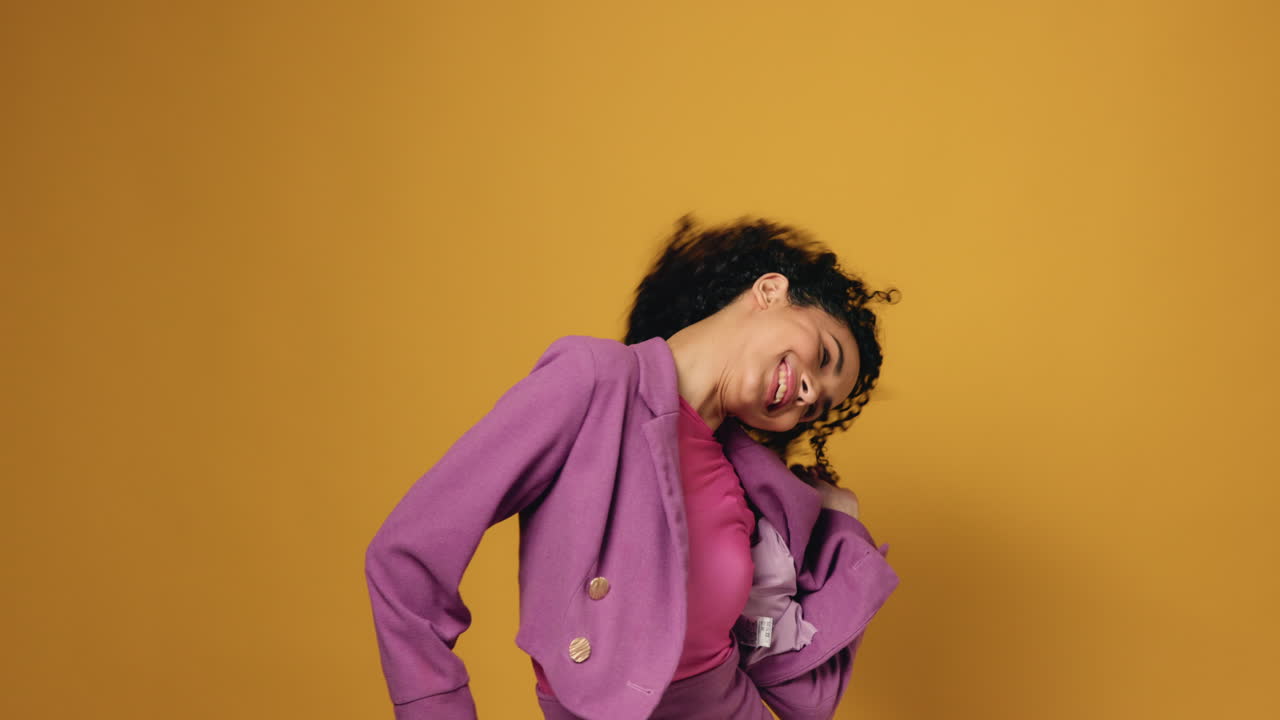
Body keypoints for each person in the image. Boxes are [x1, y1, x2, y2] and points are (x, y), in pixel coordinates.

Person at [364, 215, 902, 720]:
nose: (809, 393)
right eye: (825, 356)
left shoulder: (750, 483)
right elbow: (407, 555)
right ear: (769, 291)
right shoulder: (596, 383)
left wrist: (844, 531)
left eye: (819, 408)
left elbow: (804, 695)